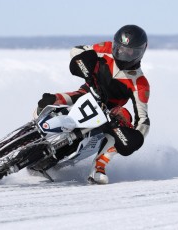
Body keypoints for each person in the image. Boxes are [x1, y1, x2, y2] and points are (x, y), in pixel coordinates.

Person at [36, 25, 150, 184]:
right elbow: (76, 51)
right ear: (115, 44)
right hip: (87, 93)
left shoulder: (140, 83)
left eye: (131, 51)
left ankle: (98, 167)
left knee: (124, 117)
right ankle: (31, 134)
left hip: (109, 113)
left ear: (140, 52)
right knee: (48, 100)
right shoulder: (105, 48)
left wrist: (136, 136)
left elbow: (143, 120)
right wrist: (86, 67)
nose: (124, 53)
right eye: (121, 48)